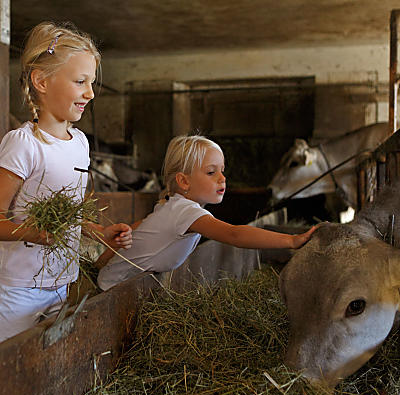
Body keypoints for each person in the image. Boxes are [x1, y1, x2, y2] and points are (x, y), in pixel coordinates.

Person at [0, 22, 132, 343]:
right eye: (80, 81)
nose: (90, 92)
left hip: (63, 283)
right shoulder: (23, 144)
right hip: (19, 289)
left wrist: (101, 233)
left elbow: (71, 214)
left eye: (91, 82)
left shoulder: (81, 143)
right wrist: (36, 233)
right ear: (41, 81)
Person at [97, 135, 316, 290]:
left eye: (222, 170)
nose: (222, 178)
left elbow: (138, 227)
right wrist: (291, 240)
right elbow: (234, 235)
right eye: (211, 172)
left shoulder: (172, 204)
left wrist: (100, 262)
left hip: (113, 284)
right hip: (113, 288)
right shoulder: (185, 211)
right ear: (183, 181)